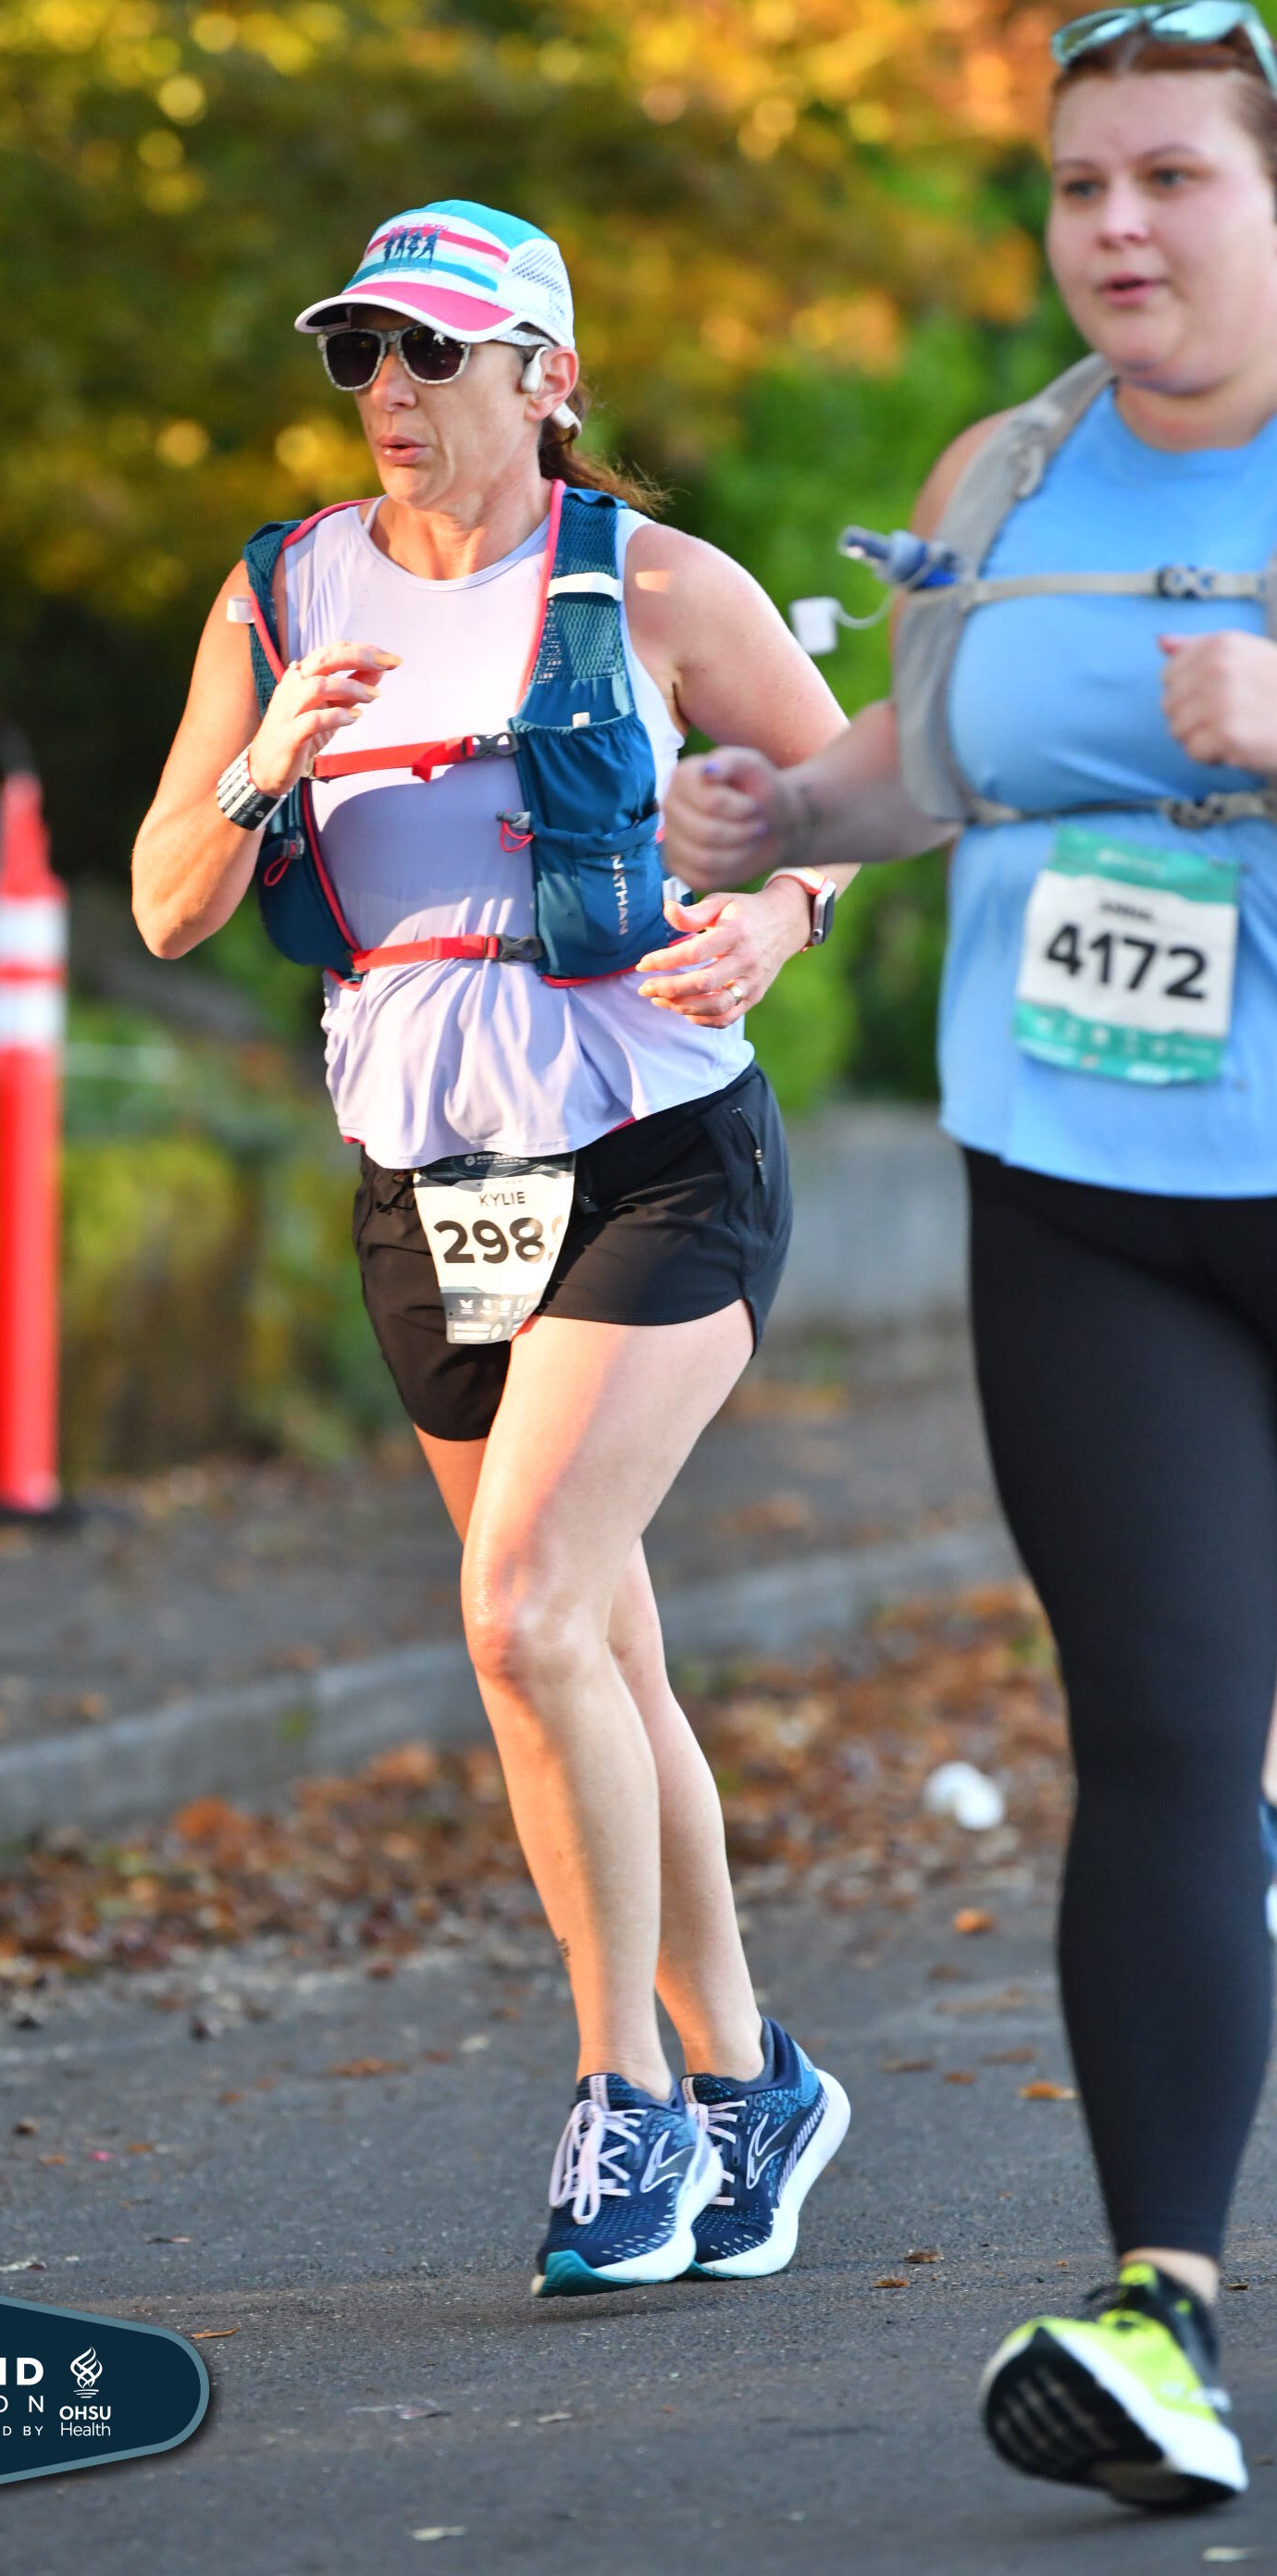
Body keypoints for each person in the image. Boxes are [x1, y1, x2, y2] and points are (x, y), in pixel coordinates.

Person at [659, 2, 1277, 2510]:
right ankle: (1161, 2316)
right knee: (1163, 1734)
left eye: (1171, 177)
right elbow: (926, 759)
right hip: (1092, 1191)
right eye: (1076, 182)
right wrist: (775, 813)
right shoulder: (1007, 472)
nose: (1113, 225)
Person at [132, 200, 852, 2298]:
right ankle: (757, 2083)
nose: (389, 390)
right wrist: (266, 764)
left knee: (524, 1612)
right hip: (428, 1181)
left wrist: (777, 920)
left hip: (655, 1150)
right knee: (594, 1648)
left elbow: (854, 805)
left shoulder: (657, 583)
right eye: (360, 352)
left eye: (435, 352)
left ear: (547, 379)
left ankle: (628, 2103)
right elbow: (168, 905)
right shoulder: (277, 592)